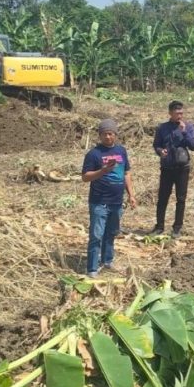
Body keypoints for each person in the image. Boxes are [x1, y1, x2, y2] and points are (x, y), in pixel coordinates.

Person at [82, 119, 136, 277]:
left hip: (117, 202)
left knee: (111, 233)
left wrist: (131, 195)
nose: (108, 137)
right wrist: (103, 171)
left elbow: (126, 173)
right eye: (104, 134)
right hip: (99, 202)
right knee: (96, 235)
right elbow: (85, 177)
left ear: (116, 135)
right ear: (99, 135)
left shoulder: (121, 151)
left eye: (111, 134)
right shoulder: (94, 154)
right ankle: (92, 268)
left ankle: (107, 261)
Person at [152, 100, 194, 238]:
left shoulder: (189, 127)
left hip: (182, 168)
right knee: (162, 198)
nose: (180, 116)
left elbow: (193, 146)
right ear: (170, 113)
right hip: (167, 167)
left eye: (181, 113)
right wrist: (160, 151)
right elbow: (156, 145)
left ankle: (177, 227)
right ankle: (159, 226)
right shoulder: (162, 128)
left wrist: (184, 132)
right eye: (177, 113)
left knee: (181, 198)